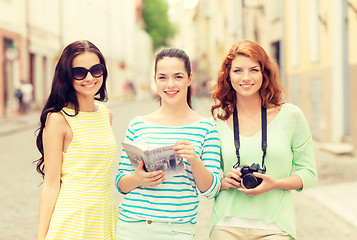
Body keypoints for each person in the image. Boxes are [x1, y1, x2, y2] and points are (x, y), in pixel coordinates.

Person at [209, 40, 318, 240]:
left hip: (275, 227)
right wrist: (223, 182)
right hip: (225, 225)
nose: (246, 77)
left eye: (254, 70)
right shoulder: (217, 121)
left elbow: (309, 174)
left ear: (264, 73)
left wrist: (274, 183)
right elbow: (206, 179)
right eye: (238, 71)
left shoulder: (291, 116)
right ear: (228, 76)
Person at [115, 48, 221, 240]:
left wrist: (195, 161)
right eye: (163, 77)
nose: (170, 84)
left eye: (178, 76)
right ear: (155, 80)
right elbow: (121, 183)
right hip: (132, 227)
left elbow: (211, 190)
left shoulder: (206, 128)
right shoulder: (137, 125)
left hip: (177, 230)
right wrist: (139, 179)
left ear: (189, 79)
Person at [35, 40, 117, 240]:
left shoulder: (106, 115)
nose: (90, 77)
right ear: (67, 76)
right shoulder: (58, 119)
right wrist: (40, 236)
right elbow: (51, 184)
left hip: (106, 217)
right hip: (73, 221)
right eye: (79, 72)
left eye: (96, 70)